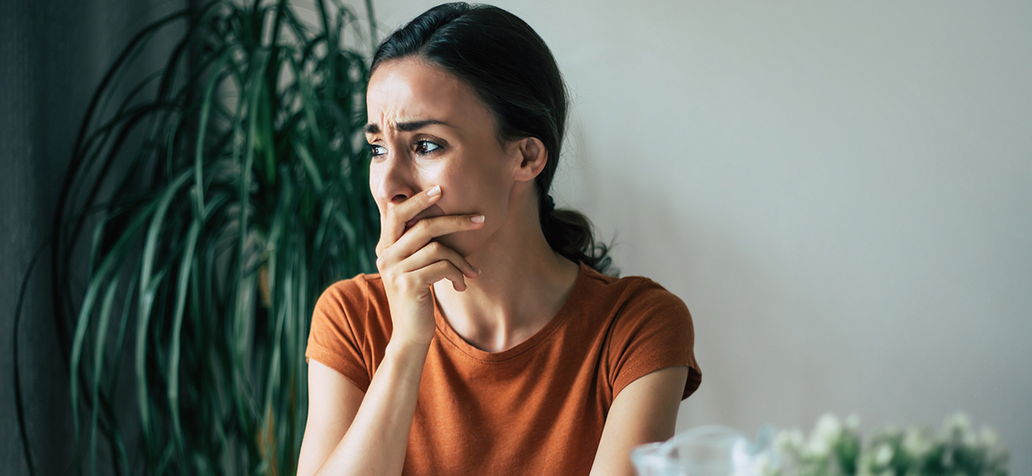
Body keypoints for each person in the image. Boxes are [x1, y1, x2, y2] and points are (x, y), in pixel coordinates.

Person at [296, 3, 701, 475]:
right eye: (377, 148)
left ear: (527, 157)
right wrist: (407, 343)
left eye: (426, 145)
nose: (388, 185)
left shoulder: (635, 327)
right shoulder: (352, 316)